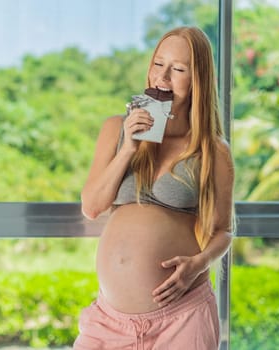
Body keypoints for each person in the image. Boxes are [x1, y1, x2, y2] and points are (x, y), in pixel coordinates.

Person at [74, 26, 235, 350]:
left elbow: (223, 231)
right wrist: (128, 149)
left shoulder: (213, 150)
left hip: (183, 318)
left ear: (197, 81)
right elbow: (91, 207)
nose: (163, 77)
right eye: (158, 64)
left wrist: (198, 265)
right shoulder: (116, 129)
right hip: (109, 321)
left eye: (178, 69)